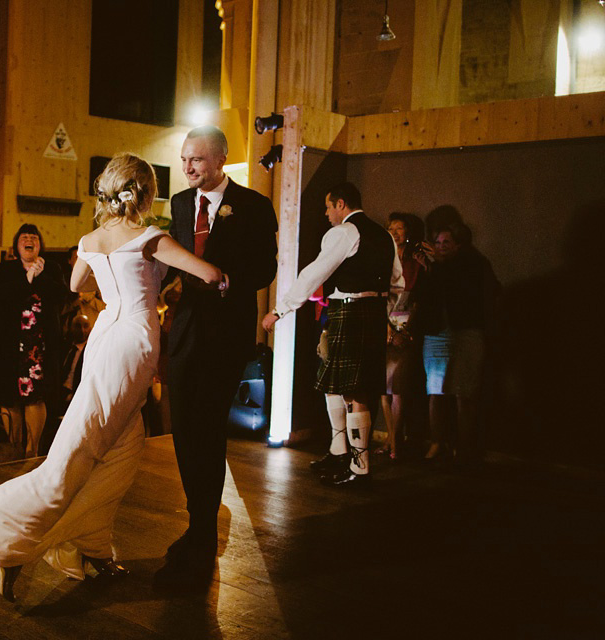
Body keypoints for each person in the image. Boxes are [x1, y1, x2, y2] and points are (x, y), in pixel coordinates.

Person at [0, 152, 224, 602]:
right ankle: (10, 539)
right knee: (84, 444)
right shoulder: (151, 236)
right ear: (145, 193)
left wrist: (118, 283)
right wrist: (210, 279)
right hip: (134, 341)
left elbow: (77, 286)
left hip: (107, 335)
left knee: (124, 447)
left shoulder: (91, 238)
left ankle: (90, 546)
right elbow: (208, 273)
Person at [159, 125, 278, 584]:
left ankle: (203, 532)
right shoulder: (180, 204)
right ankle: (198, 519)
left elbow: (265, 267)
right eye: (185, 159)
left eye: (197, 160)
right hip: (186, 331)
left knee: (208, 429)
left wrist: (227, 277)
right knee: (184, 429)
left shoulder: (252, 205)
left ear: (221, 159)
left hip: (226, 333)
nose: (188, 167)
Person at [263, 182, 403, 488]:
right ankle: (340, 452)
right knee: (337, 385)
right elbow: (398, 283)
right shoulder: (384, 236)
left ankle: (360, 467)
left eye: (329, 207)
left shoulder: (344, 232)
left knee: (353, 391)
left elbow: (314, 273)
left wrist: (280, 310)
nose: (327, 213)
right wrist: (382, 310)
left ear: (341, 204)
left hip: (349, 311)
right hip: (373, 313)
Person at [412, 222, 500, 462]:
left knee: (464, 393)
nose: (440, 247)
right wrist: (429, 270)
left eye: (446, 243)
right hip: (436, 334)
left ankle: (464, 448)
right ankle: (438, 443)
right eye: (437, 243)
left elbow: (468, 294)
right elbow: (423, 299)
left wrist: (437, 267)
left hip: (466, 333)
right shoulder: (434, 268)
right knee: (436, 390)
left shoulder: (472, 264)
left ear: (458, 245)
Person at [0, 223, 65, 458]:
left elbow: (61, 295)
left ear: (40, 245)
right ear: (16, 244)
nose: (29, 239)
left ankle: (33, 449)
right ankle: (14, 447)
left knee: (36, 396)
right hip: (12, 345)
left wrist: (38, 277)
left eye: (34, 236)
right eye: (24, 236)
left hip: (39, 347)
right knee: (10, 396)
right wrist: (27, 278)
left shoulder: (50, 268)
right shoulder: (6, 269)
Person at [380, 213, 425, 459]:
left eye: (400, 228)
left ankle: (395, 442)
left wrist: (404, 330)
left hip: (405, 329)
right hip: (384, 326)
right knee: (383, 390)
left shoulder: (415, 263)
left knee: (399, 388)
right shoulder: (382, 259)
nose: (396, 232)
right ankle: (390, 438)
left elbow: (417, 299)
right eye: (391, 228)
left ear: (408, 233)